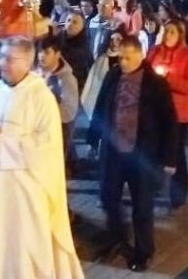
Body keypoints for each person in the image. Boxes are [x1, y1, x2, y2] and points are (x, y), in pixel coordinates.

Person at [0, 37, 84, 279]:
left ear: (27, 62)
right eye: (1, 56)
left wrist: (7, 142)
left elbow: (47, 147)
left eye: (10, 58)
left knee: (22, 248)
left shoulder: (41, 97)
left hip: (24, 191)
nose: (2, 63)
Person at [92, 36, 178, 272]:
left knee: (142, 205)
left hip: (142, 153)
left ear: (141, 55)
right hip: (114, 150)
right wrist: (94, 137)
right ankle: (116, 238)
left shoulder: (155, 83)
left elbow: (169, 121)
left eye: (129, 57)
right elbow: (101, 105)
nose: (124, 62)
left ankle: (143, 251)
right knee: (109, 198)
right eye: (121, 57)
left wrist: (169, 157)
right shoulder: (113, 76)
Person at [147, 20, 188, 211]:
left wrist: (168, 79)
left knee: (175, 152)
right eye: (166, 31)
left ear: (180, 35)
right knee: (154, 150)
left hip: (178, 114)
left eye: (172, 32)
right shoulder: (154, 52)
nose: (168, 35)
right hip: (156, 111)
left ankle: (178, 193)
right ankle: (153, 187)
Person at [82, 28, 126, 159]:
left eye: (118, 39)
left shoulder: (125, 58)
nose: (115, 42)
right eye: (112, 39)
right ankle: (94, 147)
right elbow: (94, 79)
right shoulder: (102, 59)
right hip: (102, 98)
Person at [37, 35, 80, 170]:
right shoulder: (36, 73)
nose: (42, 56)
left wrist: (45, 115)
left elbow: (69, 111)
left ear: (57, 54)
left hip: (57, 133)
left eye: (47, 52)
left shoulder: (66, 79)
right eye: (40, 52)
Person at [59, 10, 93, 92]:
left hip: (74, 86)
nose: (70, 24)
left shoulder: (83, 46)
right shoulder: (59, 38)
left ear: (82, 26)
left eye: (75, 22)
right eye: (68, 20)